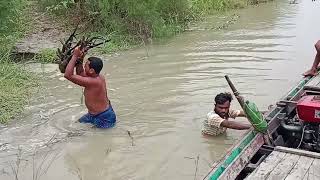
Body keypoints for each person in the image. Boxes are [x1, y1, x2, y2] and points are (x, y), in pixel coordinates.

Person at [64, 47, 116, 128]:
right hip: (93, 115)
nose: (84, 68)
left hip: (104, 117)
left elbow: (68, 75)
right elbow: (80, 73)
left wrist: (74, 56)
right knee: (76, 127)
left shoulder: (93, 82)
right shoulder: (96, 77)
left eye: (86, 67)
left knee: (93, 136)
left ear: (91, 71)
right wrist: (81, 58)